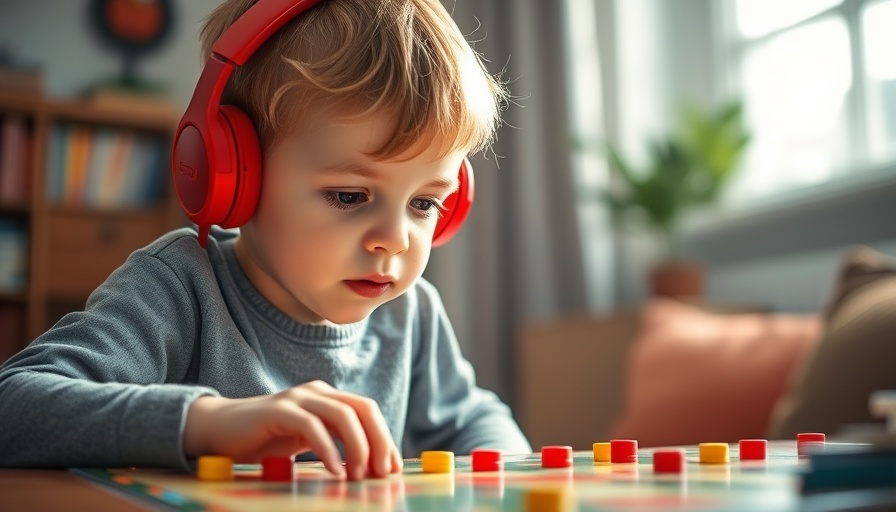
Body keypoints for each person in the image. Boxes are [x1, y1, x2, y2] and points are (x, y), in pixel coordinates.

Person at [0, 0, 531, 481]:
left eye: (424, 203)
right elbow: (13, 405)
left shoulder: (410, 313)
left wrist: (505, 477)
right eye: (349, 196)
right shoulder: (180, 286)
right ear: (233, 176)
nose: (394, 240)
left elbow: (476, 423)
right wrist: (205, 422)